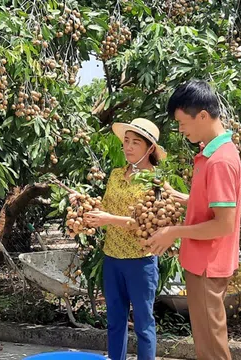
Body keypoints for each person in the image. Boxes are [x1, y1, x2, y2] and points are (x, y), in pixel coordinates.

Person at [143, 80, 241, 360]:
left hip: (207, 265)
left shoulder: (220, 161)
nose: (180, 129)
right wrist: (185, 198)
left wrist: (174, 231)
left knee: (211, 346)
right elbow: (217, 207)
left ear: (202, 116)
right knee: (205, 341)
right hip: (203, 262)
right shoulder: (212, 154)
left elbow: (223, 224)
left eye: (182, 122)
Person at [72, 118, 166, 360]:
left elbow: (148, 225)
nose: (128, 147)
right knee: (115, 322)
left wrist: (108, 219)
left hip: (140, 261)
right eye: (126, 141)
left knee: (144, 324)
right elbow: (105, 207)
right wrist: (84, 203)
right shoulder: (115, 174)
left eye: (135, 142)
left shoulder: (155, 182)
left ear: (150, 149)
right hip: (112, 257)